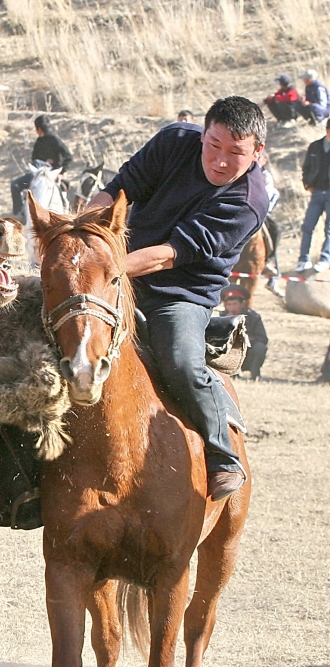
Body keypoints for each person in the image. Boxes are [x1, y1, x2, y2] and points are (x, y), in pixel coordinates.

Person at [88, 96, 269, 500]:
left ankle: (223, 453)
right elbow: (116, 190)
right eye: (213, 145)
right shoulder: (173, 142)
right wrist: (82, 236)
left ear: (258, 152)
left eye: (235, 153)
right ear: (202, 134)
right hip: (118, 269)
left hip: (180, 292)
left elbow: (170, 254)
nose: (220, 160)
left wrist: (103, 269)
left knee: (181, 360)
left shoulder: (247, 202)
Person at [10, 114, 73, 217]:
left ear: (39, 128)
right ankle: (18, 214)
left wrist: (61, 172)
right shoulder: (39, 141)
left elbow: (69, 157)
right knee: (15, 185)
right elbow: (34, 158)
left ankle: (65, 210)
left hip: (51, 173)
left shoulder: (55, 140)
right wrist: (44, 161)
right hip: (38, 174)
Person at [295, 118, 330, 273]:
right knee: (308, 226)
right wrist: (307, 184)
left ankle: (325, 258)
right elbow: (306, 167)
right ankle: (304, 259)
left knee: (329, 229)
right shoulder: (315, 146)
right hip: (316, 192)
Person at [221, 285, 268, 381]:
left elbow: (263, 338)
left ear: (242, 304)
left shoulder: (253, 317)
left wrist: (246, 340)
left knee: (260, 347)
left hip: (249, 351)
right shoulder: (222, 318)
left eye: (235, 304)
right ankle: (231, 373)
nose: (232, 308)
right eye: (229, 304)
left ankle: (255, 374)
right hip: (230, 353)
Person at [257, 151, 283, 296]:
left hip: (261, 212)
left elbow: (266, 197)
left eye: (260, 158)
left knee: (275, 231)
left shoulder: (266, 177)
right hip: (242, 209)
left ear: (265, 160)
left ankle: (271, 264)